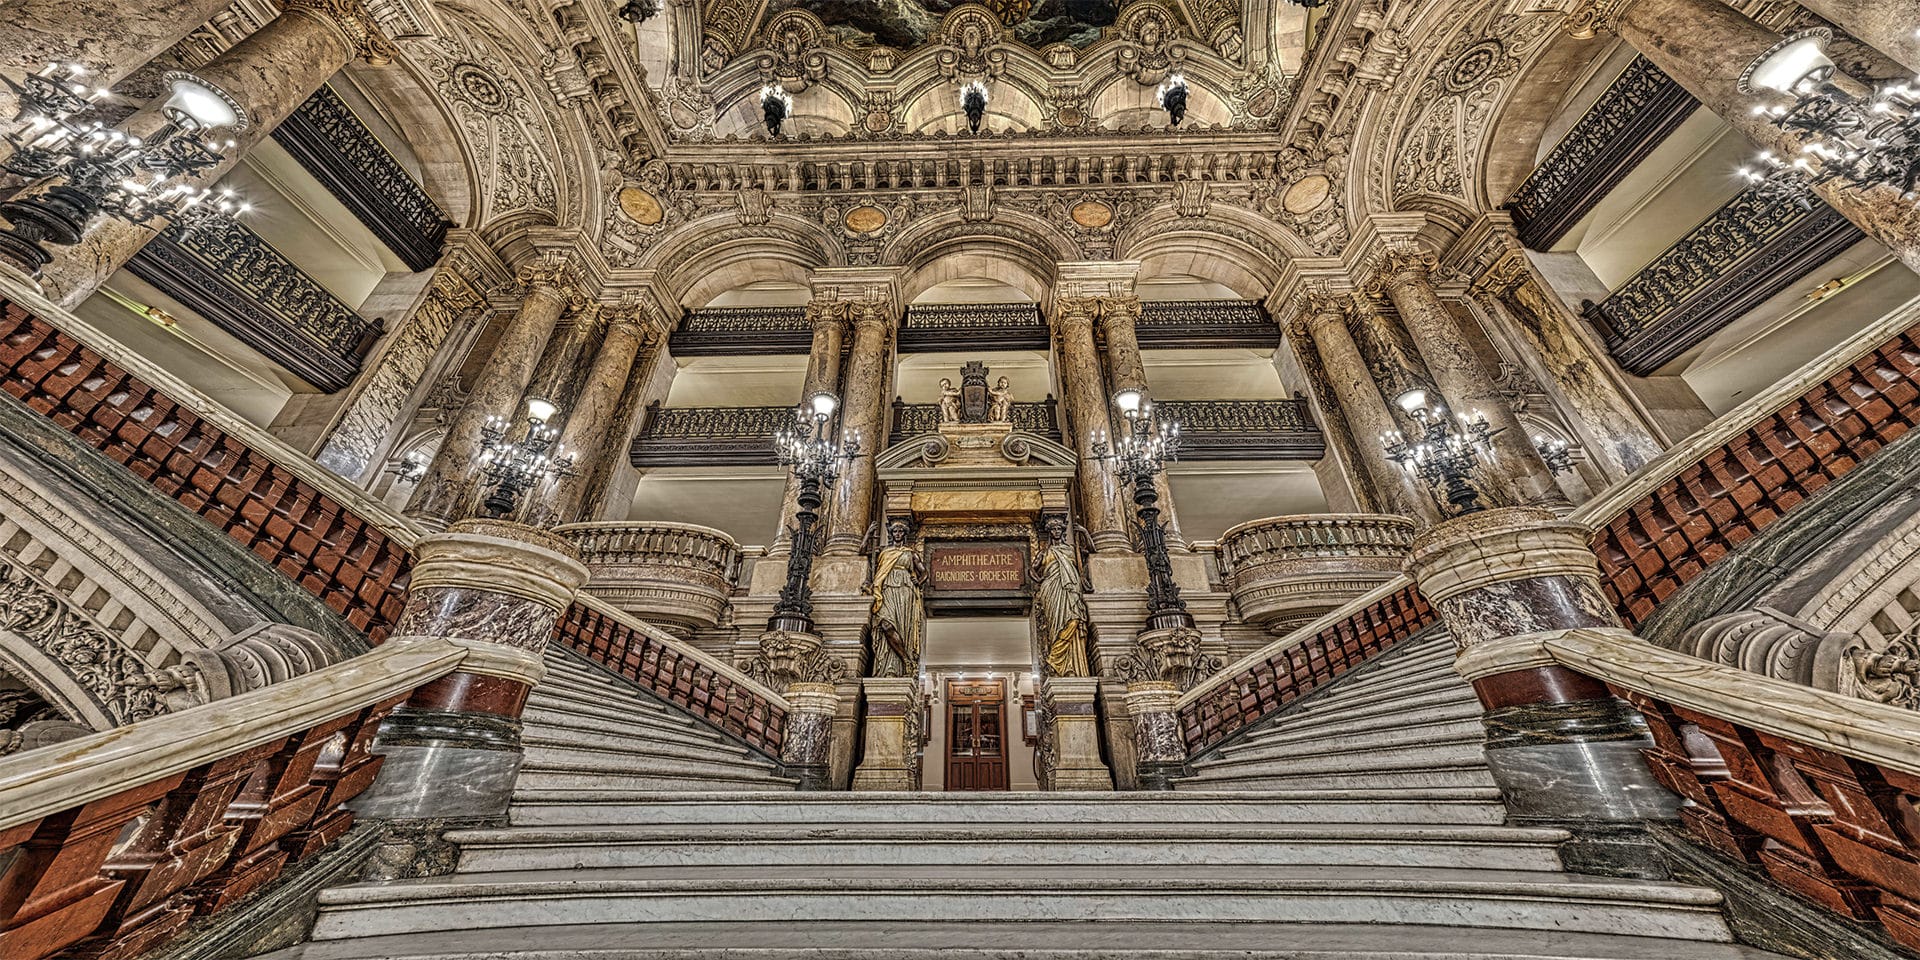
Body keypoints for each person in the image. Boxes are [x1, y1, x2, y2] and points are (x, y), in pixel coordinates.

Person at [1033, 516, 1091, 677]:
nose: (1056, 531)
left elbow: (1090, 551)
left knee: (1073, 620)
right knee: (1055, 626)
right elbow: (1032, 569)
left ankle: (1060, 661)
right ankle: (1059, 662)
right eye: (1053, 529)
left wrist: (1084, 532)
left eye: (1059, 529)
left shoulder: (1072, 549)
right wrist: (1039, 579)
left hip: (1070, 590)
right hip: (1052, 589)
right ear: (1050, 532)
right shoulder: (1045, 552)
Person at [867, 519, 925, 677]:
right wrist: (868, 534)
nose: (897, 534)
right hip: (886, 588)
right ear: (891, 534)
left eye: (900, 532)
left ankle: (900, 665)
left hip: (905, 590)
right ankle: (905, 659)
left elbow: (924, 573)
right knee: (885, 624)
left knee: (901, 627)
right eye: (894, 532)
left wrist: (918, 581)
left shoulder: (910, 553)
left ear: (904, 534)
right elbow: (862, 551)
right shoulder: (884, 550)